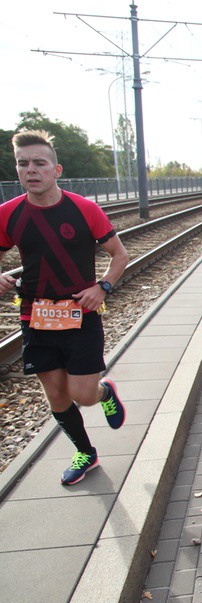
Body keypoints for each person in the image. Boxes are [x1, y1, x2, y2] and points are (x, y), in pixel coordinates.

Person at [0, 130, 129, 485]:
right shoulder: (8, 214)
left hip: (80, 317)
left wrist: (102, 287)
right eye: (23, 164)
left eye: (39, 163)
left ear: (56, 170)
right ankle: (86, 452)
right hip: (35, 317)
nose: (31, 170)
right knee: (56, 394)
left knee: (82, 394)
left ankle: (104, 392)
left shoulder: (84, 209)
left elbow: (119, 255)